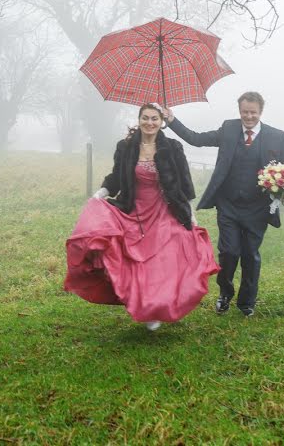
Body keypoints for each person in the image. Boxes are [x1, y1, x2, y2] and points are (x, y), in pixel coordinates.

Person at [64, 104, 220, 331]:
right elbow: (117, 177)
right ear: (139, 120)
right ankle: (145, 304)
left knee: (164, 259)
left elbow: (184, 184)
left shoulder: (173, 148)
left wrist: (190, 213)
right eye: (145, 118)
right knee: (138, 261)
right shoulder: (126, 147)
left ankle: (156, 305)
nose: (150, 122)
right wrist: (101, 193)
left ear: (161, 121)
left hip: (165, 209)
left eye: (155, 118)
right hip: (133, 210)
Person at [162, 92, 284, 317]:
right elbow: (196, 139)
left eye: (253, 113)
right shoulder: (228, 129)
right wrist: (171, 120)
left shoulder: (277, 137)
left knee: (250, 254)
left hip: (258, 208)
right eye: (245, 112)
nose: (248, 117)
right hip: (228, 205)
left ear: (261, 112)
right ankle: (225, 294)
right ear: (239, 110)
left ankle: (247, 302)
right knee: (228, 252)